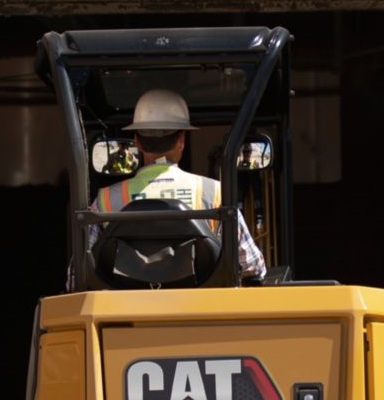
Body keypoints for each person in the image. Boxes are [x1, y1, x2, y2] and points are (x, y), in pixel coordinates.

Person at [92, 88, 266, 281]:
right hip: (199, 300)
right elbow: (253, 267)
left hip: (127, 301)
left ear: (137, 142)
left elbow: (77, 276)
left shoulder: (105, 201)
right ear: (181, 141)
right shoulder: (216, 193)